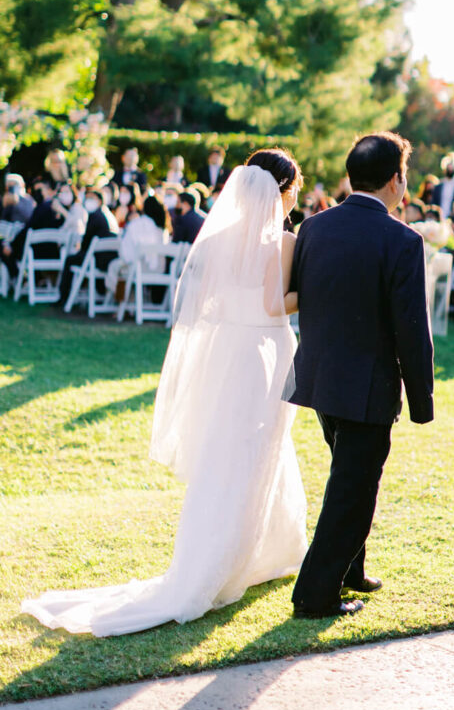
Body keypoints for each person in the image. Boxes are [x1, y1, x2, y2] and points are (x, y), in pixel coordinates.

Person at [23, 150, 308, 635]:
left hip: (232, 355)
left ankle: (264, 550)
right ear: (281, 190)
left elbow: (208, 303)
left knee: (234, 452)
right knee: (256, 450)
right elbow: (272, 304)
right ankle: (232, 559)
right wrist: (315, 291)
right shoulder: (280, 241)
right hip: (261, 352)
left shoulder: (220, 237)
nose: (296, 198)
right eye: (295, 189)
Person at [286, 131, 434, 620]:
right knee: (353, 489)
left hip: (320, 378)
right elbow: (412, 330)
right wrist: (422, 402)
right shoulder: (402, 240)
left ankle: (351, 569)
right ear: (395, 181)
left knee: (348, 475)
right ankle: (315, 594)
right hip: (367, 385)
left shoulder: (314, 228)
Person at [56, 188, 120, 306]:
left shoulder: (96, 216)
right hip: (105, 258)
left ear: (100, 201)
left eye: (92, 198)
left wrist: (80, 249)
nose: (88, 201)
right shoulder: (105, 215)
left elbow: (87, 242)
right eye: (87, 198)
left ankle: (64, 296)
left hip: (97, 259)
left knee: (70, 259)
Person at [105, 195, 171, 296]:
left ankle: (120, 300)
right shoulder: (162, 229)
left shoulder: (137, 224)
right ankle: (127, 299)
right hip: (159, 268)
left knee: (117, 266)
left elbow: (126, 252)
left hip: (138, 268)